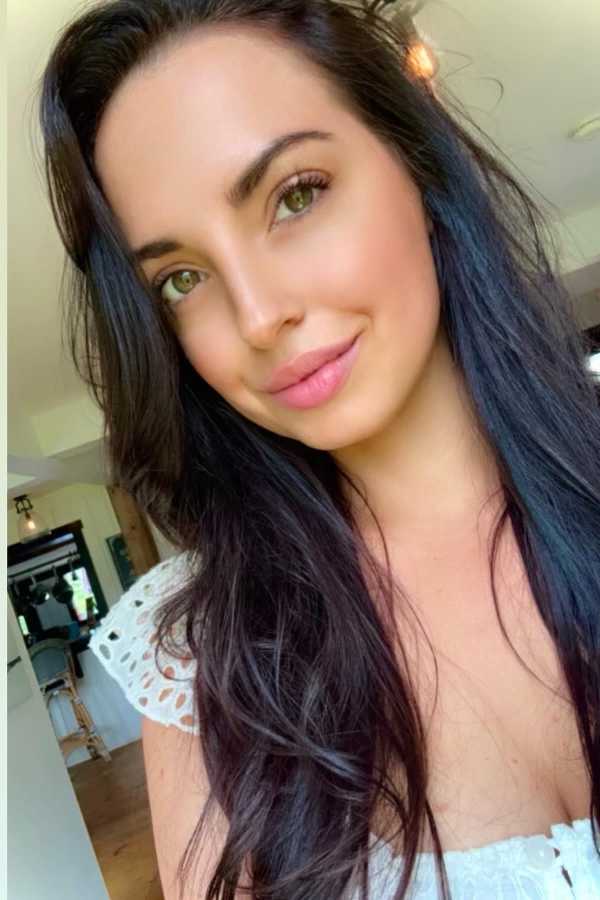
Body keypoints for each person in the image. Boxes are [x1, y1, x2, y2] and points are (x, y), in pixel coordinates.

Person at [38, 1, 600, 898]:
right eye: (181, 279)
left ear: (415, 163)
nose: (258, 316)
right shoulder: (203, 664)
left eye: (295, 196)